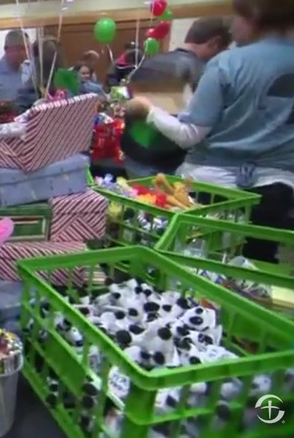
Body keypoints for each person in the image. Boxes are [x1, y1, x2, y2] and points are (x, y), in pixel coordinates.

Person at [127, 0, 294, 263]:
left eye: (236, 17)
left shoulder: (228, 63)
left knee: (197, 264)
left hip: (213, 187)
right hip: (277, 189)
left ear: (254, 16)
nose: (232, 27)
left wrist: (147, 110)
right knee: (255, 269)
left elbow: (189, 133)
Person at [122, 16, 232, 179]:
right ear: (214, 43)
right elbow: (193, 129)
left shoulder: (146, 64)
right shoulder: (205, 73)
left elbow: (132, 107)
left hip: (134, 155)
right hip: (170, 163)